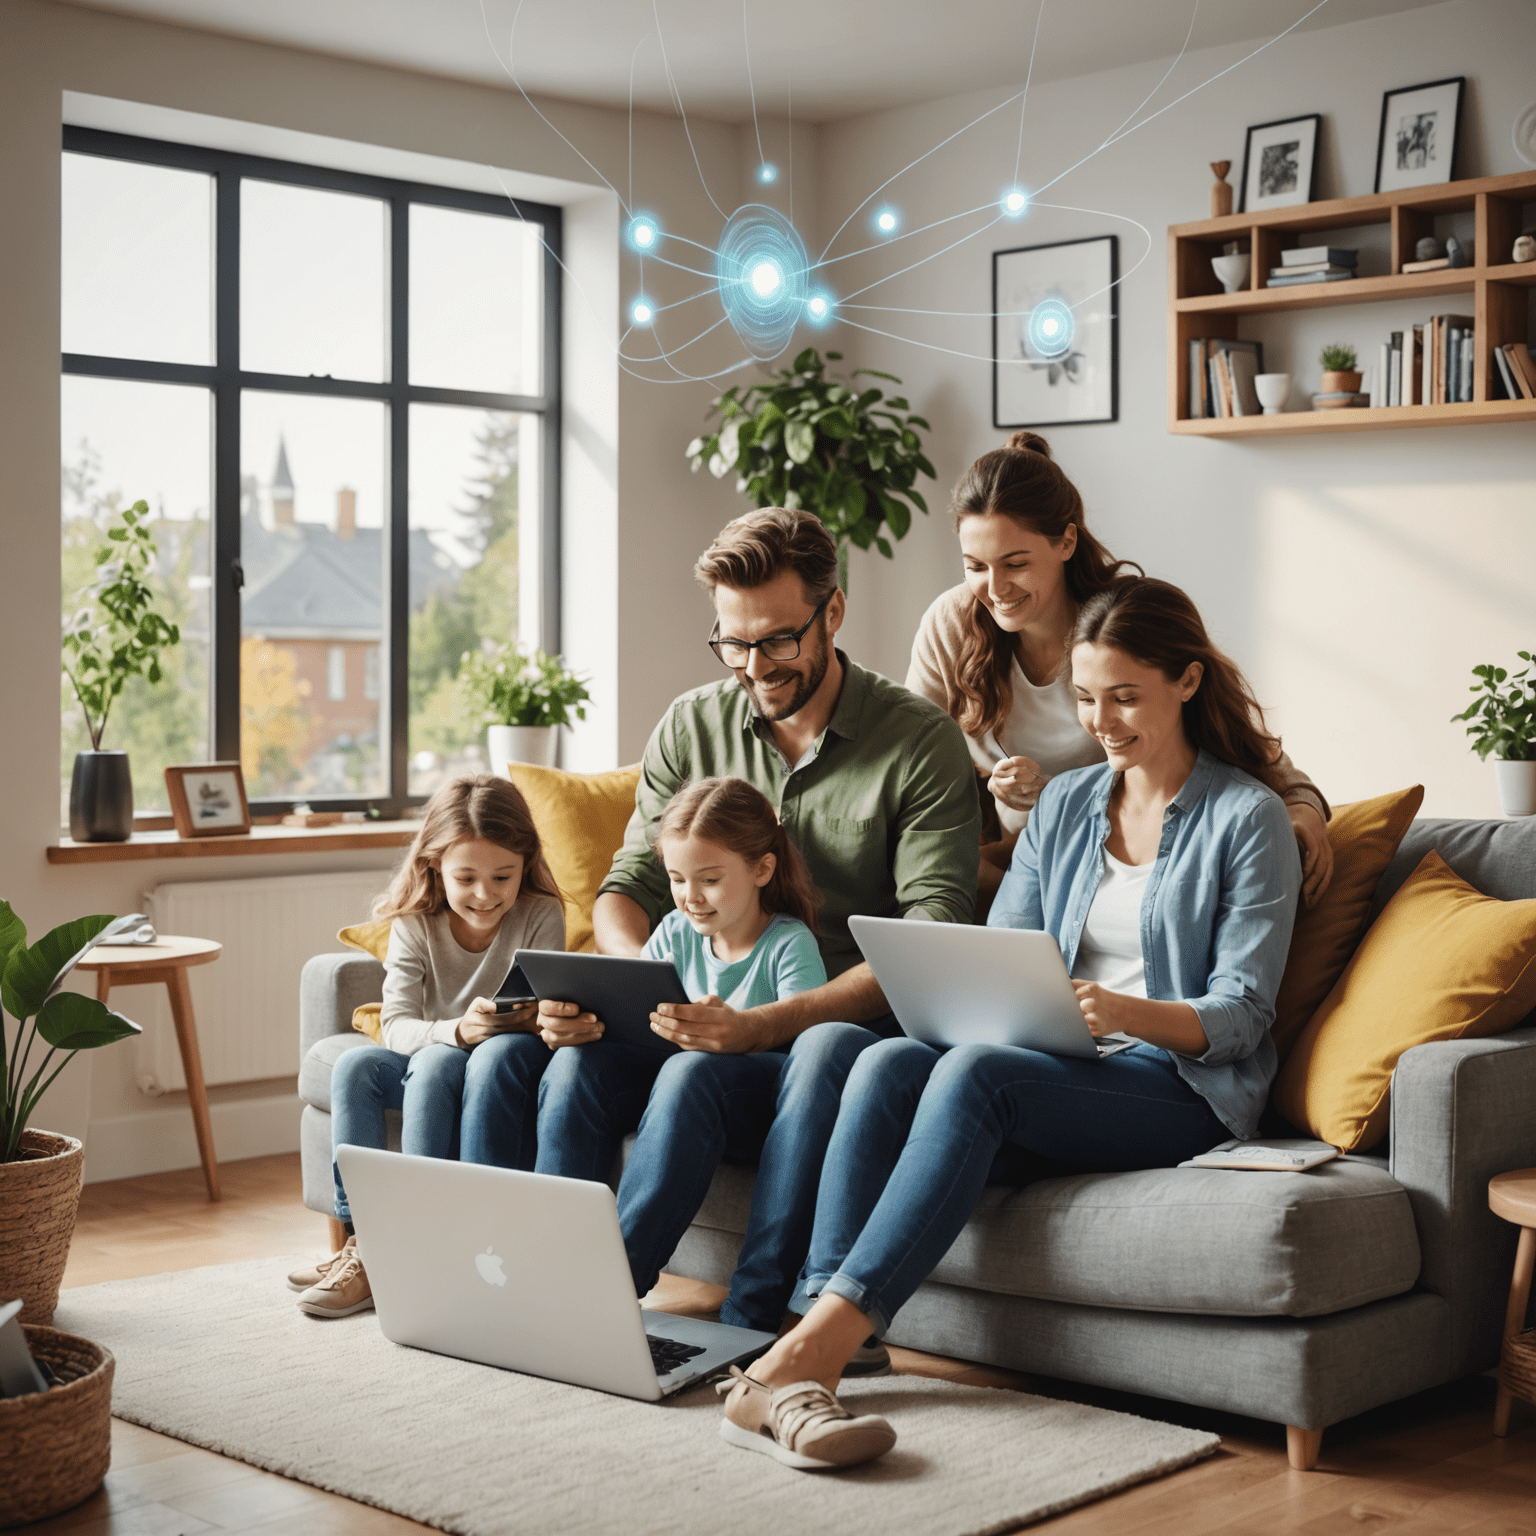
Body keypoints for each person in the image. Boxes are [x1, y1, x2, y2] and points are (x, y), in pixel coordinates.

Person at [716, 576, 1304, 1470]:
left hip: (1177, 1082)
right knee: (865, 1056)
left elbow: (1243, 1013)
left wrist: (1122, 1010)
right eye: (1083, 697)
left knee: (975, 1077)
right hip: (1056, 1060)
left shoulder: (1247, 818)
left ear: (1187, 682)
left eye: (1124, 697)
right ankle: (828, 1339)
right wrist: (996, 1003)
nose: (1101, 720)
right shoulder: (1066, 806)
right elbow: (999, 954)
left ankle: (799, 1362)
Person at [535, 507, 981, 1339]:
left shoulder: (918, 743)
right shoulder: (690, 724)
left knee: (764, 1061)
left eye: (777, 640)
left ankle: (729, 1319)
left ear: (833, 612)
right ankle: (554, 1297)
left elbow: (932, 936)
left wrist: (761, 1025)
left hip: (831, 1038)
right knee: (572, 1068)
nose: (754, 666)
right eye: (733, 643)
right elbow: (625, 888)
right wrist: (640, 988)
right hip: (693, 1017)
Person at [905, 430, 1333, 907]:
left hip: (1117, 860)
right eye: (975, 566)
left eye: (1015, 563)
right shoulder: (952, 624)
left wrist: (1302, 807)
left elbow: (1236, 735)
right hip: (1010, 861)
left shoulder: (1118, 624)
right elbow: (909, 762)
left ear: (1066, 541)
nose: (995, 587)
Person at [548, 776, 829, 1309]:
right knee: (576, 1064)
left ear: (762, 870)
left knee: (689, 1071)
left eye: (709, 880)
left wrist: (743, 1029)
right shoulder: (676, 931)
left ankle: (610, 1289)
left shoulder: (789, 944)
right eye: (677, 879)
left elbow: (808, 1066)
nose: (690, 897)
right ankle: (553, 1266)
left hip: (755, 1103)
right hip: (678, 1087)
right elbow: (641, 1021)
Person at [291, 774, 565, 1319]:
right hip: (440, 1049)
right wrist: (456, 1030)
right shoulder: (416, 923)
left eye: (502, 877)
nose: (485, 894)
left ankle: (420, 1244)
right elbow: (396, 1025)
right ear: (435, 865)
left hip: (504, 1064)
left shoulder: (540, 914)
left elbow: (551, 1008)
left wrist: (517, 1023)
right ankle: (364, 1242)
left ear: (525, 865)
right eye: (466, 877)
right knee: (357, 1067)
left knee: (439, 1063)